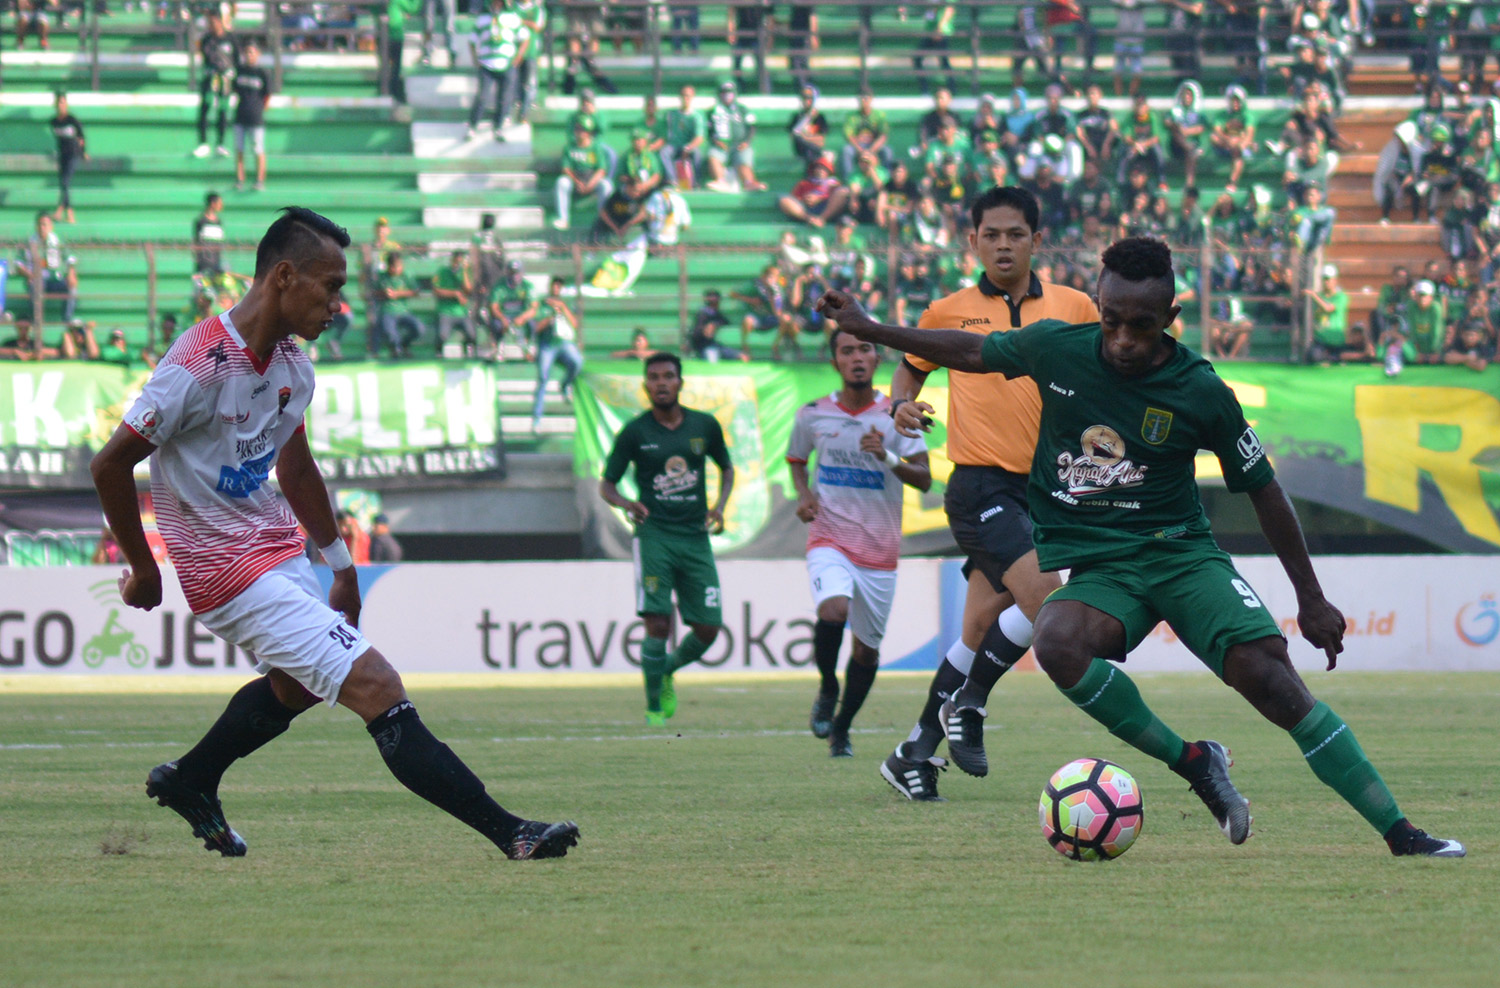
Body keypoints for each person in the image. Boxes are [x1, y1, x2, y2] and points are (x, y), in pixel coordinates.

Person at [816, 235, 1464, 858]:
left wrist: (1312, 599)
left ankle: (1400, 832)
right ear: (1099, 306)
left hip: (1183, 556)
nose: (1123, 340)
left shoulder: (1201, 390)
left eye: (1141, 325)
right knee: (1057, 641)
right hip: (1104, 565)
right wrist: (873, 329)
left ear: (1171, 317)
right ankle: (1196, 763)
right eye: (1111, 320)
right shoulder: (1057, 350)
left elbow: (1265, 490)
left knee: (1271, 682)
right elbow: (969, 348)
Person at [89, 206, 577, 861]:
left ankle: (193, 778)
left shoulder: (293, 368)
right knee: (376, 684)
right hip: (226, 571)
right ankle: (510, 833)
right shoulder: (197, 366)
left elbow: (295, 465)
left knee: (298, 687)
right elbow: (111, 462)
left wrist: (341, 564)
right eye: (332, 285)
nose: (338, 304)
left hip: (279, 553)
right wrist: (146, 569)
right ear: (284, 277)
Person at [870, 186, 1097, 801]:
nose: (1002, 244)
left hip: (1046, 491)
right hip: (980, 485)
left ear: (1036, 241)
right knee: (1047, 600)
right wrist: (900, 404)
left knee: (977, 628)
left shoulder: (1077, 306)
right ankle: (967, 706)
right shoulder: (948, 310)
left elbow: (1110, 366)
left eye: (1015, 234)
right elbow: (912, 366)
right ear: (973, 240)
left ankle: (912, 750)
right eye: (990, 234)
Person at [787, 329, 931, 757]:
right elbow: (797, 461)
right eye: (846, 351)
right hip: (830, 536)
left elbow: (924, 478)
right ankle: (828, 686)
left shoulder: (896, 415)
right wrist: (804, 495)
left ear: (876, 358)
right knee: (833, 608)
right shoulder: (812, 415)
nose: (856, 357)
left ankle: (842, 729)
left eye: (864, 349)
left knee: (867, 653)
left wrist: (885, 457)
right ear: (835, 362)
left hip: (880, 553)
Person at [599, 353, 734, 725]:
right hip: (654, 536)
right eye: (654, 377)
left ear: (680, 383)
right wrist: (627, 503)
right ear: (646, 386)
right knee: (658, 623)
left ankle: (667, 670)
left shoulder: (704, 426)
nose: (661, 382)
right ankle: (654, 707)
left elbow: (726, 467)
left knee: (708, 628)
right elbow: (606, 484)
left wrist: (719, 506)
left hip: (695, 537)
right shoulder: (635, 432)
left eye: (668, 376)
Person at [529, 276, 582, 429]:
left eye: (559, 286)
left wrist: (563, 309)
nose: (556, 288)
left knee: (577, 362)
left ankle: (565, 385)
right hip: (547, 344)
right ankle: (537, 418)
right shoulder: (542, 304)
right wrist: (550, 318)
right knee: (543, 378)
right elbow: (535, 328)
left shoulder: (566, 304)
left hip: (563, 342)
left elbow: (575, 324)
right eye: (555, 285)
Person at [16, 211, 78, 327]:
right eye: (40, 224)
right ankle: (37, 321)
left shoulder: (57, 242)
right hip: (37, 279)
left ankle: (67, 320)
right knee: (35, 285)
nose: (42, 228)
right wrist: (29, 274)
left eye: (45, 225)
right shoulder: (29, 243)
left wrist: (71, 273)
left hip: (55, 279)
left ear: (50, 226)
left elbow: (71, 258)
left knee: (72, 287)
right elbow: (18, 263)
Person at [194, 12, 238, 159]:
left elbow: (236, 58)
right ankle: (203, 143)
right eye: (210, 23)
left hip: (225, 80)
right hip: (210, 79)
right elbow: (206, 57)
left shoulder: (230, 38)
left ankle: (221, 144)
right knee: (205, 108)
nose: (212, 25)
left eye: (214, 22)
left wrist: (232, 74)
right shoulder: (207, 39)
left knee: (223, 110)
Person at [232, 44, 272, 192]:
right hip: (240, 115)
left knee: (258, 149)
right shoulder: (239, 71)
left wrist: (260, 109)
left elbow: (267, 95)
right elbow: (234, 88)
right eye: (247, 52)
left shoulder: (262, 73)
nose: (249, 55)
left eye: (252, 52)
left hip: (255, 117)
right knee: (239, 149)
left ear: (258, 54)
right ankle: (239, 179)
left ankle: (259, 179)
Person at [375, 251, 425, 358]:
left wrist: (398, 293)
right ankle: (396, 350)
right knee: (390, 333)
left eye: (400, 266)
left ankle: (404, 344)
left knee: (419, 329)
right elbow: (372, 293)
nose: (398, 269)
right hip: (387, 311)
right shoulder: (382, 276)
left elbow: (416, 291)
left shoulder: (406, 275)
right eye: (395, 266)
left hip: (404, 311)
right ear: (390, 267)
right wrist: (384, 293)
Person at [50, 92, 86, 225]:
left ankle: (69, 213)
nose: (61, 105)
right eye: (59, 102)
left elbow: (81, 137)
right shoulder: (53, 122)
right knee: (63, 183)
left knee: (65, 182)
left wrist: (83, 152)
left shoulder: (72, 120)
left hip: (73, 154)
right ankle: (60, 211)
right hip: (62, 155)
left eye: (63, 102)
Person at [432, 250, 476, 357]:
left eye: (460, 261)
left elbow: (468, 290)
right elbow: (436, 291)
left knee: (472, 335)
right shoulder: (442, 271)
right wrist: (454, 293)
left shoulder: (467, 272)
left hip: (462, 311)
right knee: (443, 335)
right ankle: (439, 351)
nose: (457, 263)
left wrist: (464, 271)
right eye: (456, 260)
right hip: (446, 311)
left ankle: (466, 349)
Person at [193, 193, 227, 276]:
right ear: (213, 204)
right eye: (219, 203)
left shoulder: (219, 222)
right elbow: (196, 241)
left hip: (217, 261)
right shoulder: (201, 221)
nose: (221, 206)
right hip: (204, 262)